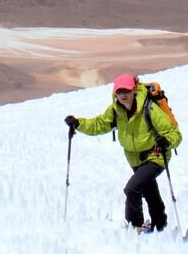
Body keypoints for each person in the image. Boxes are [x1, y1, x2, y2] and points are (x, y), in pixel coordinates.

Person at [65, 73, 182, 233]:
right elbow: (99, 124)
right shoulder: (115, 111)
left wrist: (166, 141)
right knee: (149, 191)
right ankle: (160, 224)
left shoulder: (149, 108)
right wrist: (78, 123)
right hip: (135, 159)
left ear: (134, 90)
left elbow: (174, 132)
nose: (123, 95)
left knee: (132, 188)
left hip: (156, 155)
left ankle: (136, 227)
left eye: (126, 91)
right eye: (119, 92)